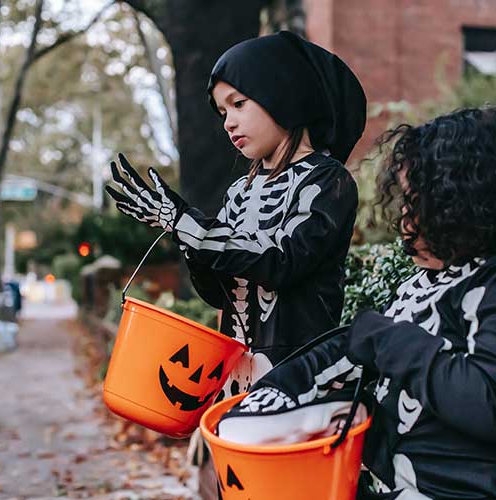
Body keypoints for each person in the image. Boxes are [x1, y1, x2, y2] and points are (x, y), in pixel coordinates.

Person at [219, 107, 496, 500]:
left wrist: (389, 341)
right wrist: (279, 390)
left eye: (416, 201)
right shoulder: (427, 281)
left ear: (467, 204)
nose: (404, 216)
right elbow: (356, 347)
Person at [105, 30, 366, 497]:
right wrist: (186, 235)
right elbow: (218, 290)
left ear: (281, 95)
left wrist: (190, 226)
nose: (228, 122)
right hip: (232, 380)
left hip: (295, 384)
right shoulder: (239, 191)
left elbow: (284, 260)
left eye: (239, 103)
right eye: (222, 111)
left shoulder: (329, 183)